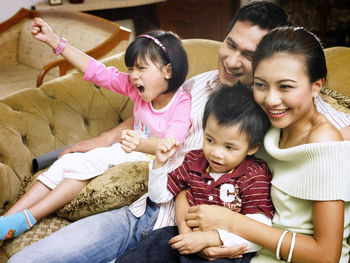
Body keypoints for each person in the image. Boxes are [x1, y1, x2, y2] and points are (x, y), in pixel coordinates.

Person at [8, 1, 350, 262]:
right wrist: (99, 141)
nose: (231, 61)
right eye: (230, 44)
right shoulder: (197, 86)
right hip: (148, 210)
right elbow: (152, 117)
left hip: (208, 236)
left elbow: (330, 137)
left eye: (249, 54)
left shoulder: (284, 111)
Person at [0, 19, 191, 241]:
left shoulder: (181, 103)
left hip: (150, 162)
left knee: (84, 164)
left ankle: (28, 218)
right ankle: (8, 219)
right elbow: (97, 71)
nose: (134, 75)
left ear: (168, 70)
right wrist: (56, 43)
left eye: (141, 68)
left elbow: (171, 144)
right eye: (131, 69)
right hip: (126, 149)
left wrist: (140, 144)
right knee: (64, 162)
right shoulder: (136, 87)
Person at [183, 26, 350, 262]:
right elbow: (196, 178)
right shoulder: (262, 126)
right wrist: (200, 238)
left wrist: (232, 223)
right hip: (247, 250)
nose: (270, 100)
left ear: (316, 86)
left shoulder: (322, 139)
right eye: (261, 84)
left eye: (286, 86)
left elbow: (326, 255)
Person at [115, 83, 274, 263]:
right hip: (186, 234)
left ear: (252, 147)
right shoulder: (194, 160)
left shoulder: (254, 175)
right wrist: (160, 163)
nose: (216, 152)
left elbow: (261, 231)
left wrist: (209, 239)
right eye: (210, 139)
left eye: (229, 147)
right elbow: (160, 196)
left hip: (225, 246)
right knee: (149, 248)